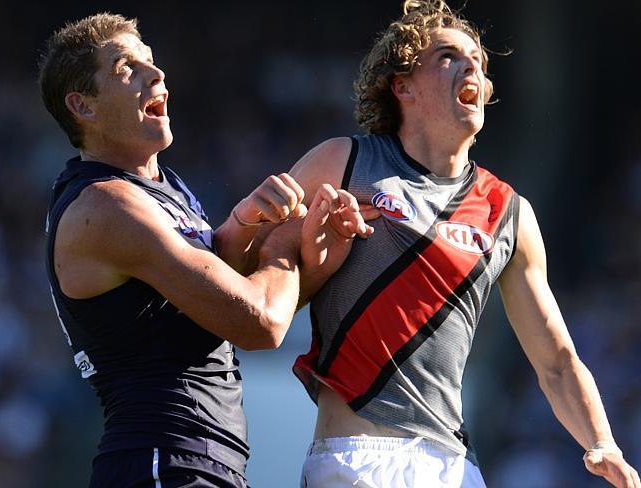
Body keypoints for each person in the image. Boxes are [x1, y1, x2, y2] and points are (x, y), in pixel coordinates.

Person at [289, 1, 641, 487]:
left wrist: (602, 444)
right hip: (358, 459)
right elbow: (253, 264)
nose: (471, 65)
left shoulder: (509, 212)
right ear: (403, 86)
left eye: (477, 59)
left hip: (454, 467)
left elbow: (557, 360)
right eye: (448, 56)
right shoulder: (343, 164)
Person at [38, 12, 373, 488]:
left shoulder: (161, 188)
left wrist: (263, 231)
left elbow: (221, 297)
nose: (156, 75)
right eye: (125, 68)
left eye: (150, 62)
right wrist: (283, 244)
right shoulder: (106, 206)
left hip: (196, 462)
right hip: (162, 460)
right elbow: (259, 322)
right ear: (83, 106)